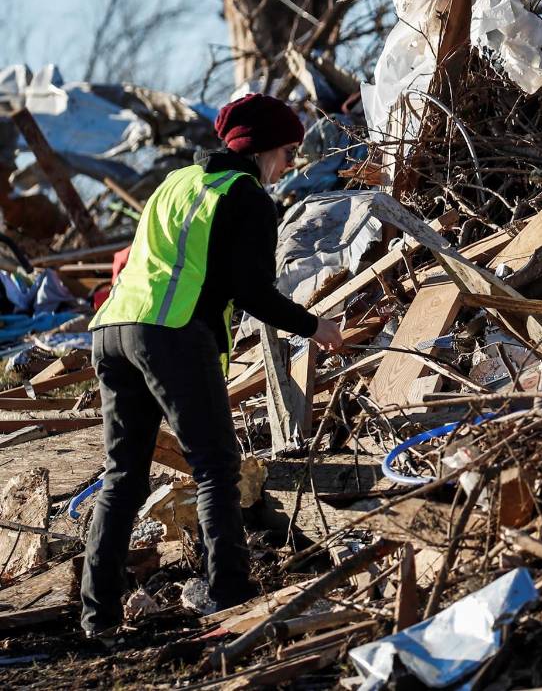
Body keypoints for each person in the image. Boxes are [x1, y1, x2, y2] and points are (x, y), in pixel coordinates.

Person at [80, 93, 344, 639]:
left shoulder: (176, 183)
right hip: (170, 334)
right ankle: (229, 599)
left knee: (123, 477)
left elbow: (131, 261)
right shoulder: (245, 195)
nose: (289, 165)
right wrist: (315, 326)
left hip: (111, 329)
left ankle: (97, 619)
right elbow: (252, 291)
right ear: (266, 149)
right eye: (289, 152)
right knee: (215, 467)